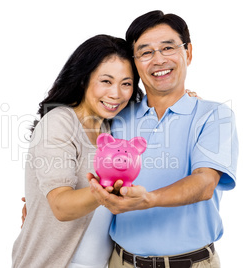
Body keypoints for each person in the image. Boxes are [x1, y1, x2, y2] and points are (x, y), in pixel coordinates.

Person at [88, 10, 239, 268]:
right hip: (120, 261)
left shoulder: (215, 115)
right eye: (145, 52)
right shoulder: (116, 116)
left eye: (168, 48)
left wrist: (150, 199)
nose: (158, 59)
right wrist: (40, 203)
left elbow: (205, 183)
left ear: (188, 53)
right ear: (134, 63)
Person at [11, 34, 144, 268]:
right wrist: (105, 190)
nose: (116, 94)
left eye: (126, 83)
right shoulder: (59, 123)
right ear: (83, 80)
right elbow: (61, 206)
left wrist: (184, 99)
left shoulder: (111, 125)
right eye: (106, 81)